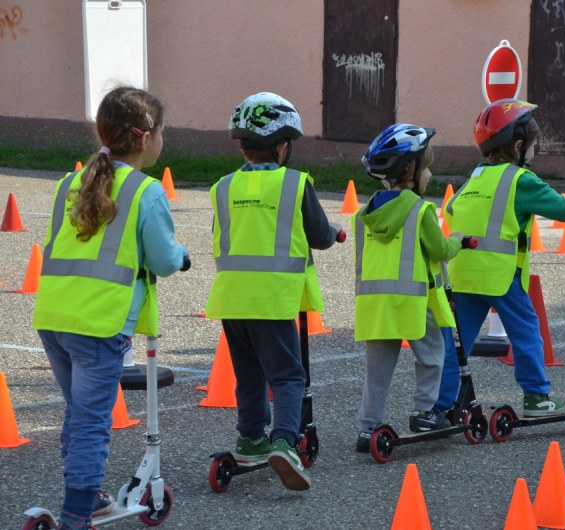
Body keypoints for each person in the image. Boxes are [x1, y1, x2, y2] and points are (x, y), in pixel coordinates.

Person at [32, 86, 189, 530]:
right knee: (91, 424)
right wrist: (181, 256)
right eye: (162, 133)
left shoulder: (70, 182)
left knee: (78, 415)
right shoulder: (145, 190)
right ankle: (76, 514)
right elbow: (163, 259)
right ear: (146, 137)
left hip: (55, 315)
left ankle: (91, 498)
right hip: (99, 323)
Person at [434, 98, 565, 418]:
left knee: (457, 343)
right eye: (532, 145)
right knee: (527, 331)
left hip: (464, 273)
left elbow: (451, 208)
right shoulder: (520, 180)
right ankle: (536, 397)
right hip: (501, 276)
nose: (534, 151)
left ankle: (440, 405)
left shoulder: (476, 176)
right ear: (518, 146)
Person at [205, 92, 341, 491]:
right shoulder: (295, 184)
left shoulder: (223, 187)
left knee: (248, 374)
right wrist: (334, 233)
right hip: (274, 298)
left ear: (243, 145)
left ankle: (250, 439)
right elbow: (319, 235)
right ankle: (283, 442)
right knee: (287, 376)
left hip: (232, 298)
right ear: (282, 145)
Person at [353, 124, 465, 453]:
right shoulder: (420, 210)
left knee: (377, 371)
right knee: (431, 356)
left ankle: (367, 428)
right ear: (409, 170)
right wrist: (458, 241)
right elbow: (439, 250)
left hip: (375, 303)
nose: (430, 175)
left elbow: (362, 262)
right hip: (414, 302)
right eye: (426, 168)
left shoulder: (364, 215)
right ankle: (425, 412)